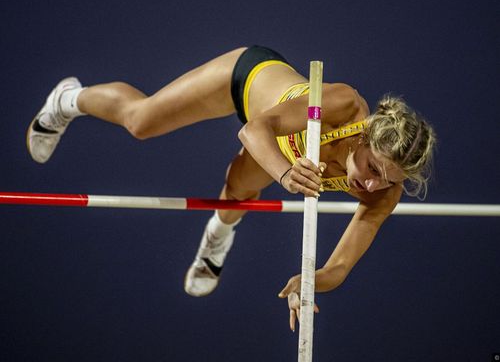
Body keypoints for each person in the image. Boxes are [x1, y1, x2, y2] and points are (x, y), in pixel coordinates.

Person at [27, 45, 436, 331]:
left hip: (276, 153)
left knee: (237, 192)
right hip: (245, 81)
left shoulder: (383, 193)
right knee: (140, 122)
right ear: (364, 139)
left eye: (388, 179)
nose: (370, 183)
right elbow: (256, 128)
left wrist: (307, 282)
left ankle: (216, 238)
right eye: (372, 168)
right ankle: (67, 99)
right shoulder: (344, 105)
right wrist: (285, 174)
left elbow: (339, 268)